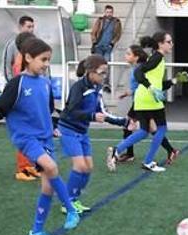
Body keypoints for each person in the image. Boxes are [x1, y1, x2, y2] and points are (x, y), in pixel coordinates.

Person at [0, 38, 79, 235]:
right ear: (28, 58)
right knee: (51, 167)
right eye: (43, 59)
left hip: (44, 137)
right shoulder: (17, 83)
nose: (46, 64)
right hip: (26, 138)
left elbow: (48, 109)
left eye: (48, 60)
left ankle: (36, 232)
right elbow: (1, 105)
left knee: (47, 187)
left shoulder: (45, 82)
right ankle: (72, 210)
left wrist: (53, 126)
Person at [57, 55, 128, 219]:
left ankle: (74, 199)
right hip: (68, 130)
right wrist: (91, 116)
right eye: (102, 73)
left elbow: (102, 112)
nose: (104, 76)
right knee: (80, 166)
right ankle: (67, 203)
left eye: (106, 73)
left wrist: (124, 122)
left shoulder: (97, 89)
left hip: (82, 132)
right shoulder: (78, 87)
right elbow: (70, 112)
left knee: (88, 167)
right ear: (90, 72)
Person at [107, 32, 177, 173]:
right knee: (161, 128)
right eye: (168, 42)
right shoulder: (157, 57)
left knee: (144, 131)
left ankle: (116, 150)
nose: (171, 44)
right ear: (160, 44)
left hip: (142, 99)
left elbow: (156, 82)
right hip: (150, 99)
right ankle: (148, 161)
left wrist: (174, 81)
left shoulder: (156, 58)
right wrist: (151, 88)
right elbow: (139, 73)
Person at [9, 31, 42, 182]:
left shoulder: (26, 58)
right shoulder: (20, 60)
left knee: (33, 134)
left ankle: (29, 164)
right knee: (26, 135)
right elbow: (20, 80)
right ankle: (22, 168)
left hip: (31, 100)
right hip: (24, 101)